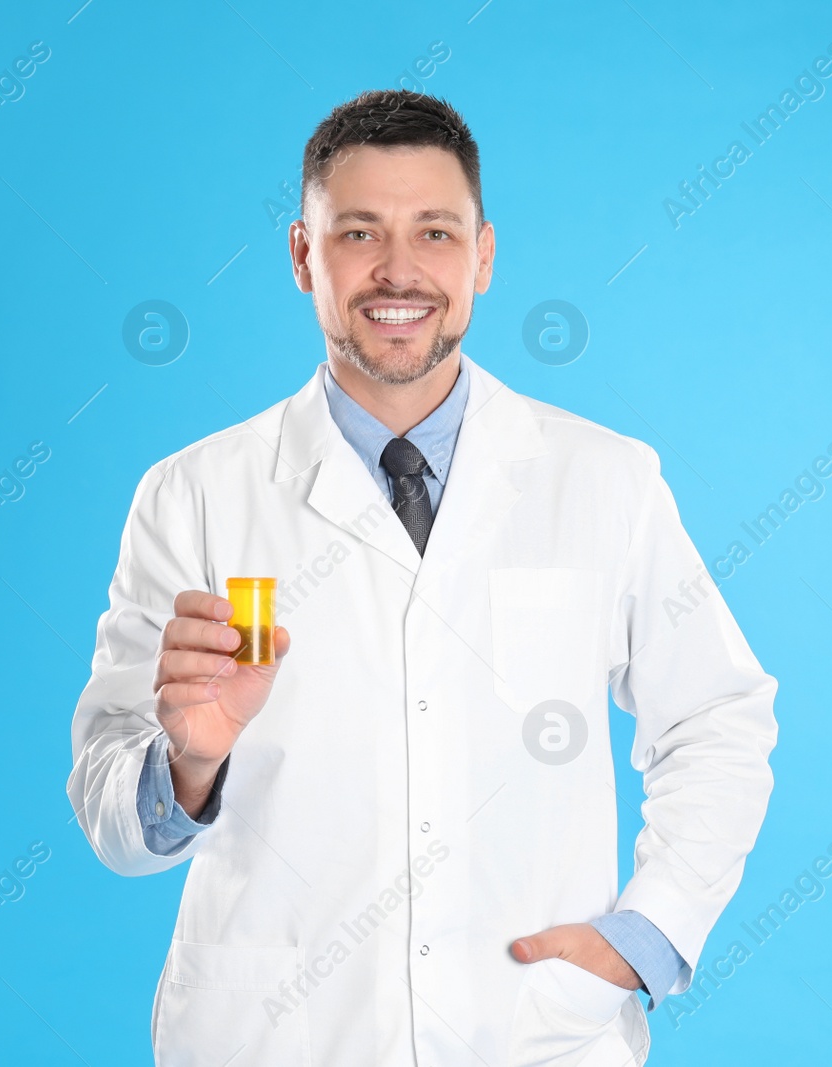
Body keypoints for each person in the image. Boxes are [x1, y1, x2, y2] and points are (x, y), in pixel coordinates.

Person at [68, 89, 778, 1067]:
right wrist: (190, 763)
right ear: (301, 255)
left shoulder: (606, 479)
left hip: (529, 1031)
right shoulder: (193, 494)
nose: (398, 270)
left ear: (482, 254)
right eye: (357, 232)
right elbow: (111, 813)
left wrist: (648, 930)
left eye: (433, 232)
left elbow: (717, 713)